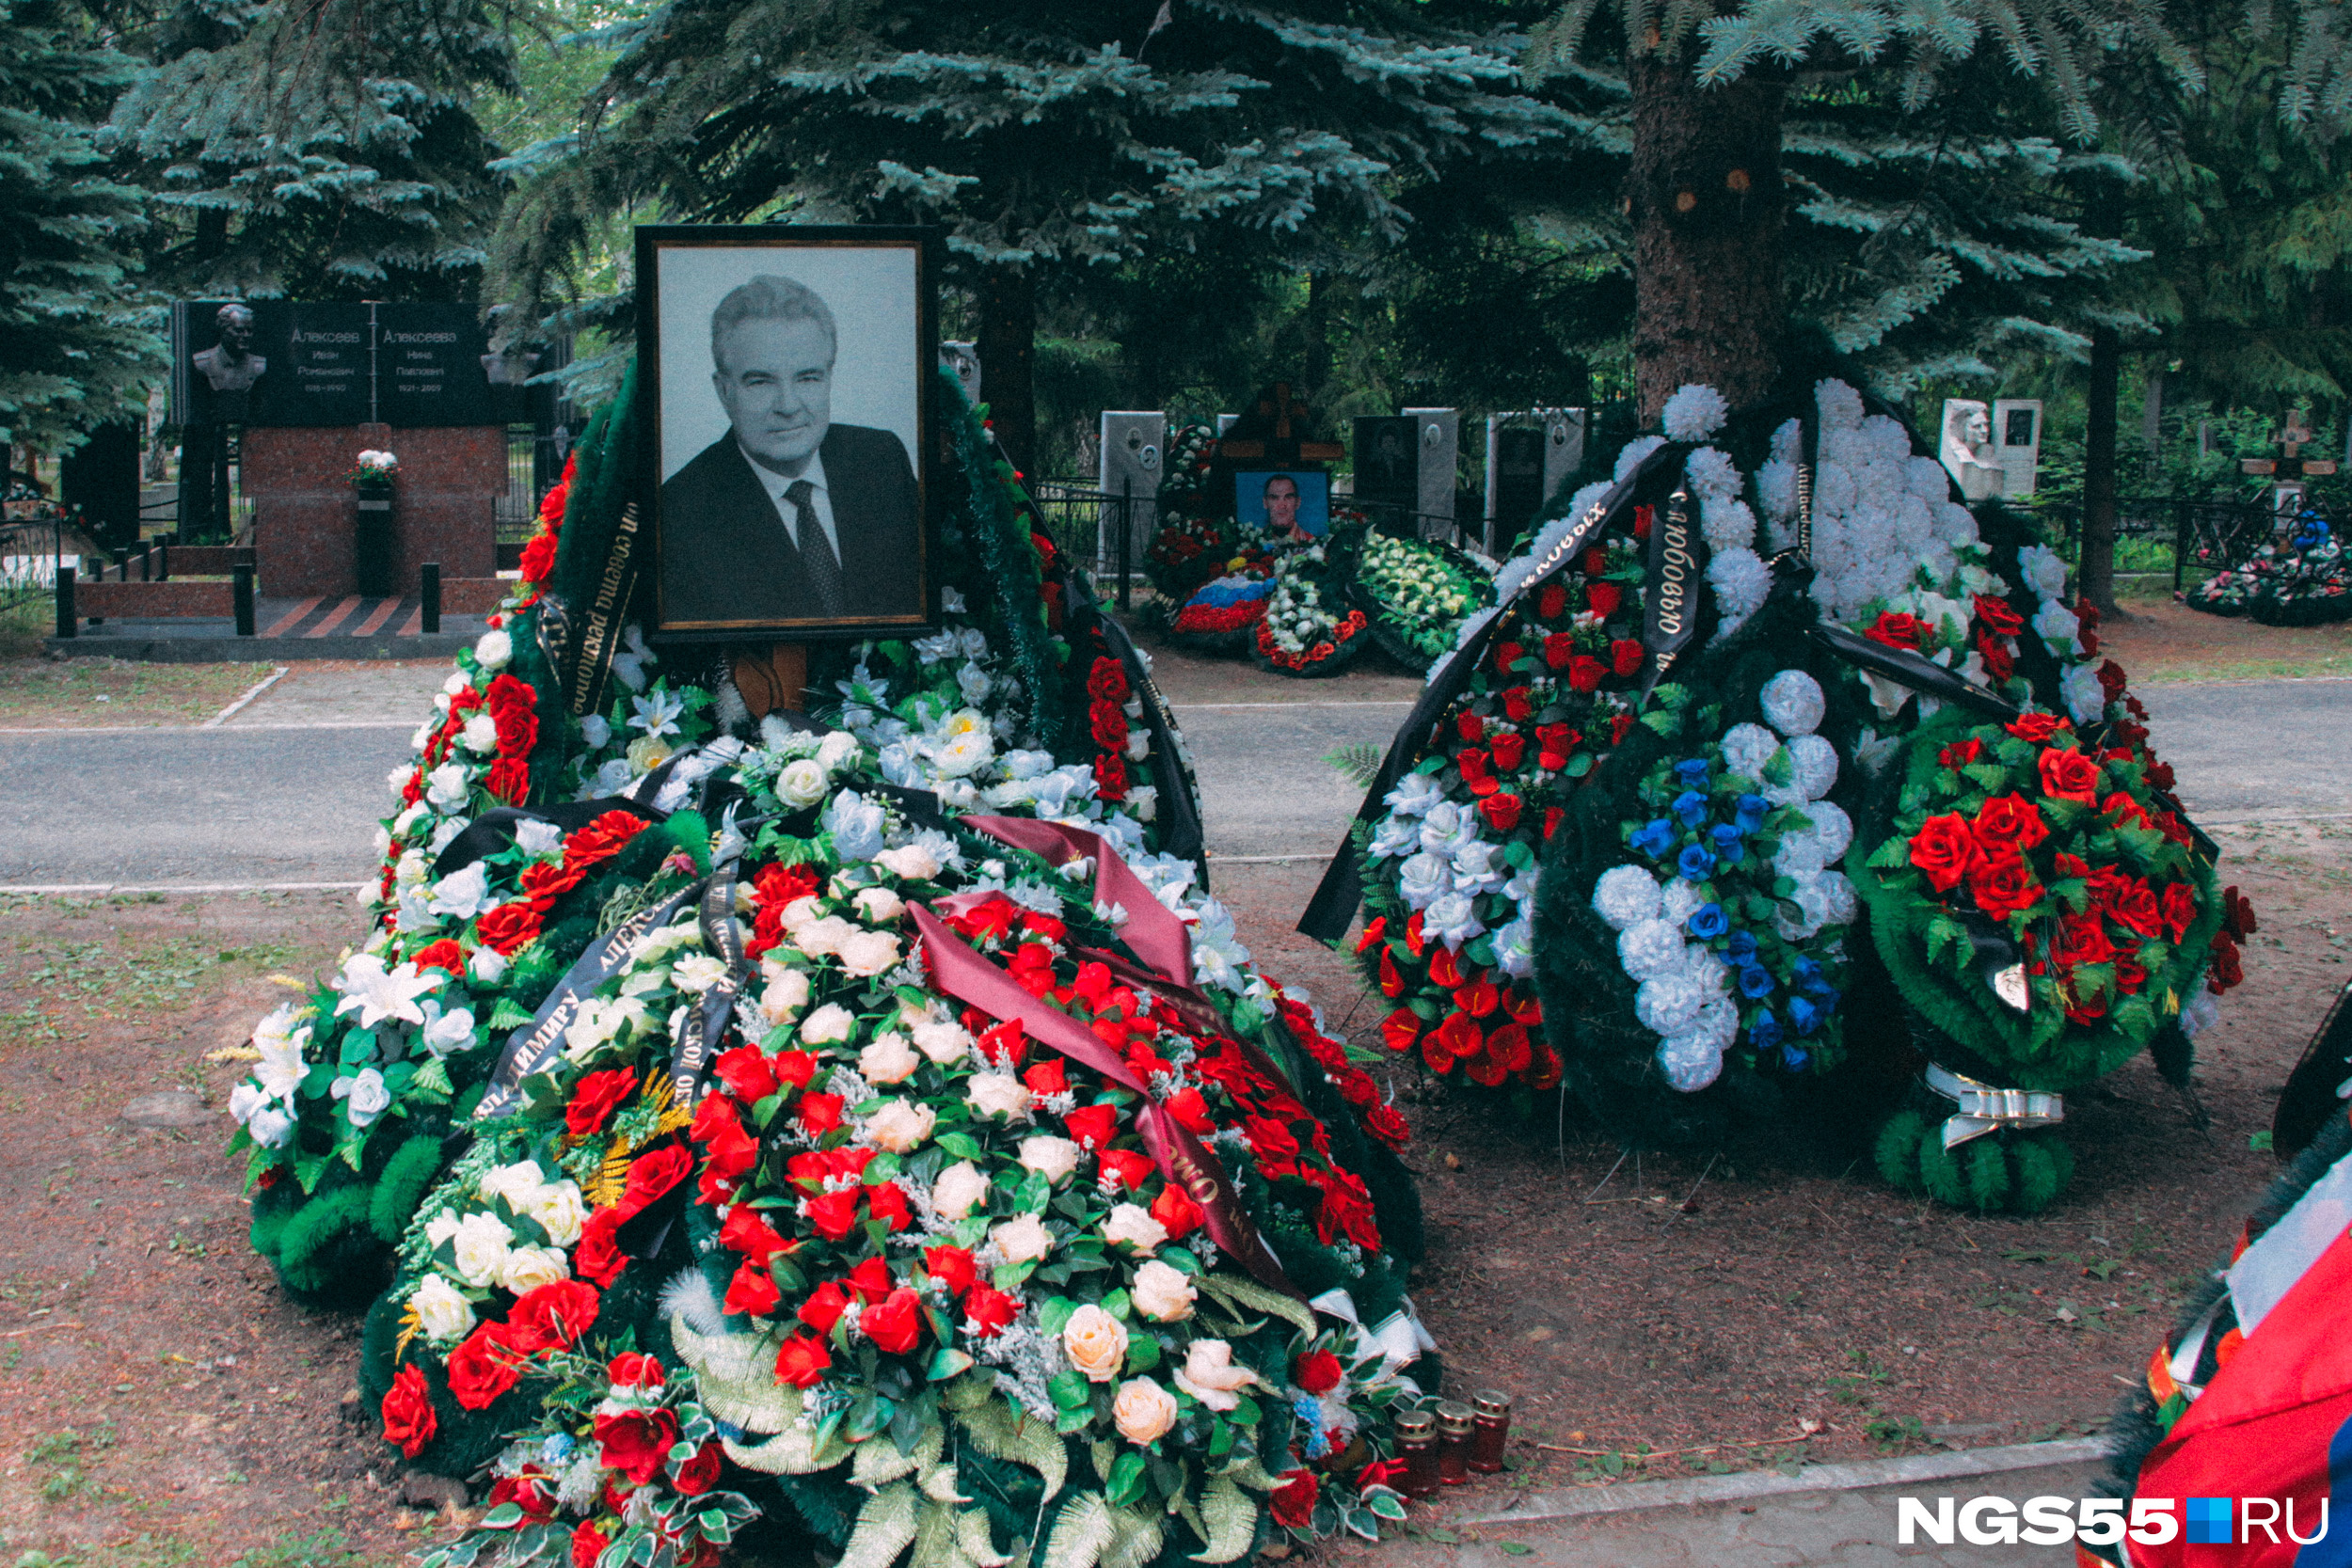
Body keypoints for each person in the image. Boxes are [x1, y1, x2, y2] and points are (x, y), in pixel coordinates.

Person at [659, 274, 921, 626]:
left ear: (829, 378)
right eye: (760, 381)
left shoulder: (881, 459)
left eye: (808, 378)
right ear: (724, 392)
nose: (788, 405)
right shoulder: (679, 513)